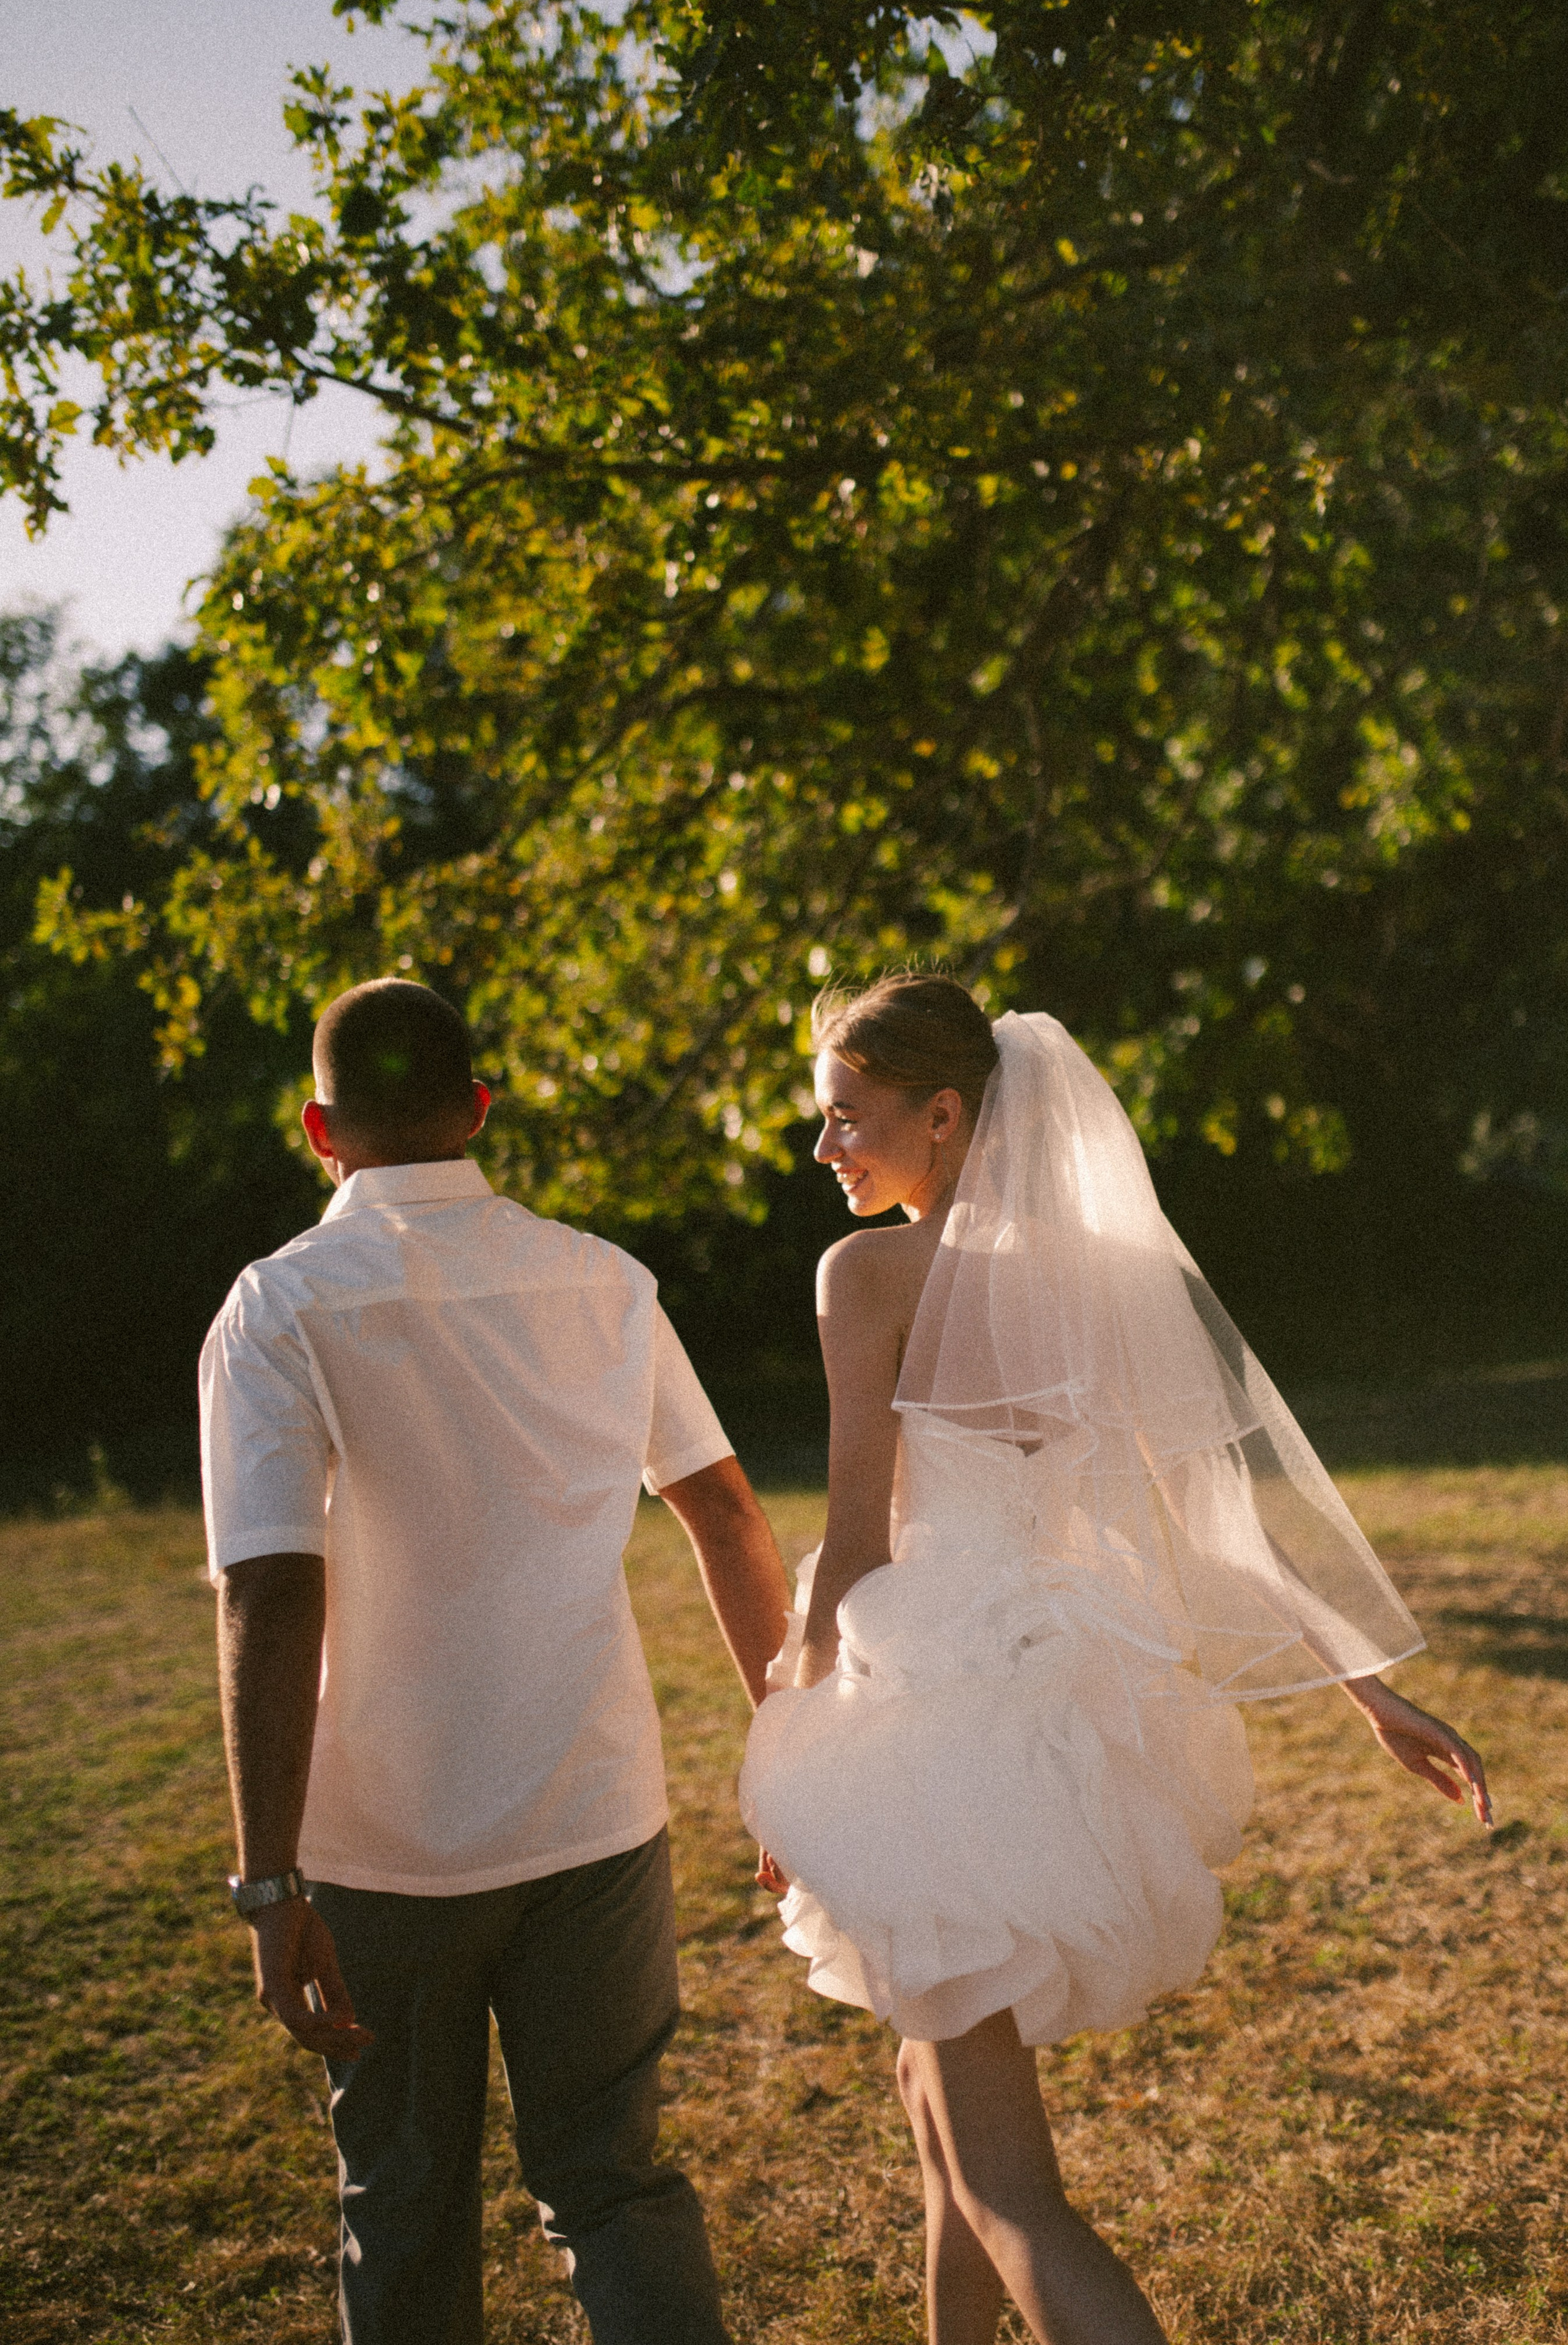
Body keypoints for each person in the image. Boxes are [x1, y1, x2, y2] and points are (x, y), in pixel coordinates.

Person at [741, 973, 1491, 2345]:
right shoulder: (1108, 1281)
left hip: (931, 1725)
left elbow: (851, 1544)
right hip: (1058, 1710)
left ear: (947, 1111)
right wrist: (1363, 1690)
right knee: (934, 2123)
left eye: (847, 1118)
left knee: (1010, 2189)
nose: (825, 1148)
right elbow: (1225, 1527)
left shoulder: (866, 1278)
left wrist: (782, 1759)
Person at [201, 976, 791, 2345]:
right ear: (477, 1109)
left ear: (317, 1127)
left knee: (403, 2198)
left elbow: (271, 1593)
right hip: (595, 1819)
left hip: (383, 1849)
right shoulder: (605, 1279)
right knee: (615, 2186)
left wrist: (266, 1876)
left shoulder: (278, 1309)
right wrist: (791, 1752)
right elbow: (724, 1510)